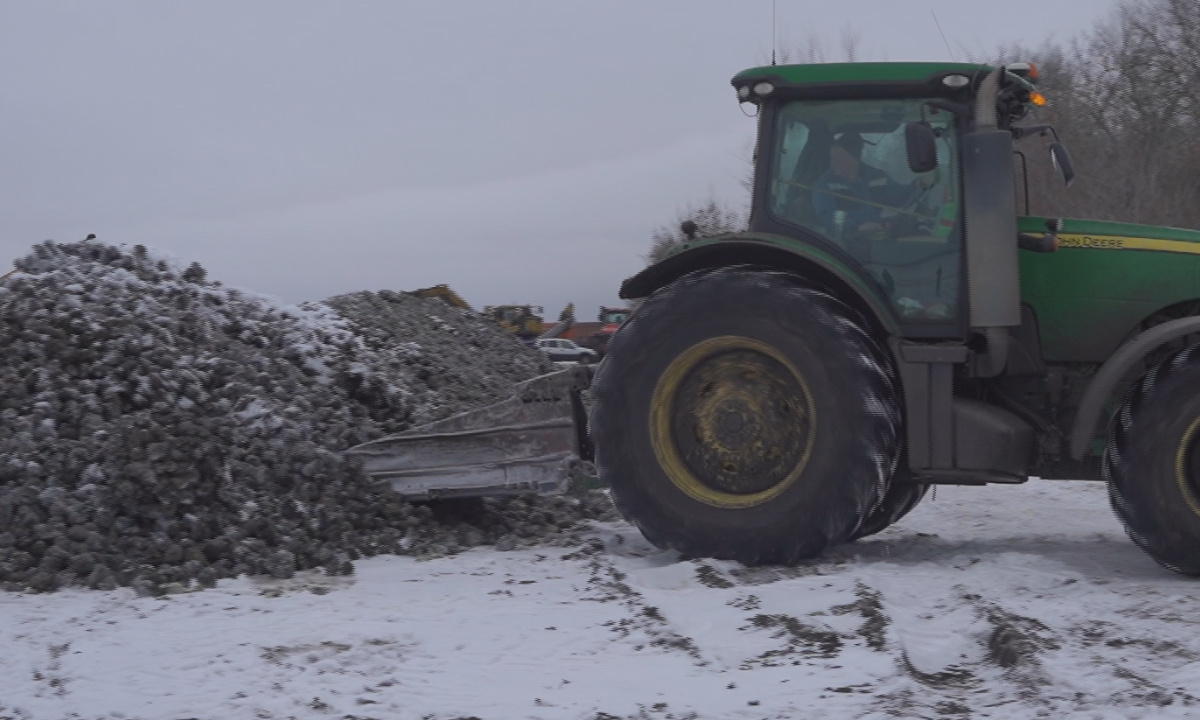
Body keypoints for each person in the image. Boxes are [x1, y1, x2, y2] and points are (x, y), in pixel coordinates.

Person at [811, 132, 932, 239]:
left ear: (854, 159)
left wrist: (919, 184)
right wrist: (857, 227)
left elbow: (901, 198)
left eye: (839, 158)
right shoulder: (825, 185)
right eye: (832, 158)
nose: (834, 163)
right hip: (843, 243)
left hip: (878, 239)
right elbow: (826, 216)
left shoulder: (877, 178)